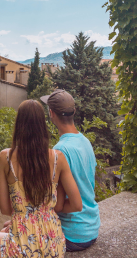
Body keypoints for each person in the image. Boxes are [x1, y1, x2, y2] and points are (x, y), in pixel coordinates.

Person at [0, 99, 82, 258]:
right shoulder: (58, 158)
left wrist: (23, 218)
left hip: (23, 245)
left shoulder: (6, 157)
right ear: (42, 125)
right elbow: (77, 205)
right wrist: (45, 213)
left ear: (19, 125)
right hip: (54, 245)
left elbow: (5, 209)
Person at [41, 90, 100, 252]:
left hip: (72, 235)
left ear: (51, 113)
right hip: (91, 228)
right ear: (73, 112)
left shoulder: (60, 150)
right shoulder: (85, 141)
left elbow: (56, 203)